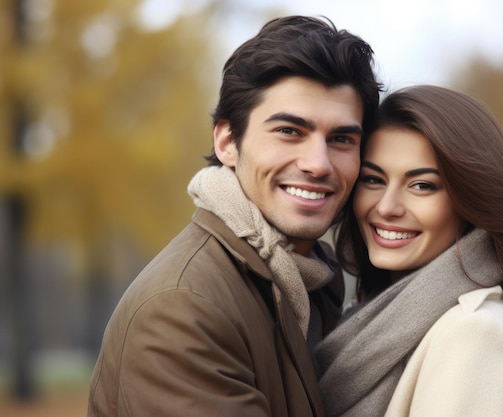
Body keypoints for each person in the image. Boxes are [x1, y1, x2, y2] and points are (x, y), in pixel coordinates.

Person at [88, 15, 382, 417]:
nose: (318, 164)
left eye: (341, 139)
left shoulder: (311, 280)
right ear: (227, 142)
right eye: (289, 131)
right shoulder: (183, 310)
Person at [315, 85, 503, 417]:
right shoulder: (388, 320)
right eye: (373, 180)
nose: (387, 207)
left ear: (471, 200)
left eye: (422, 185)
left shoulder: (476, 335)